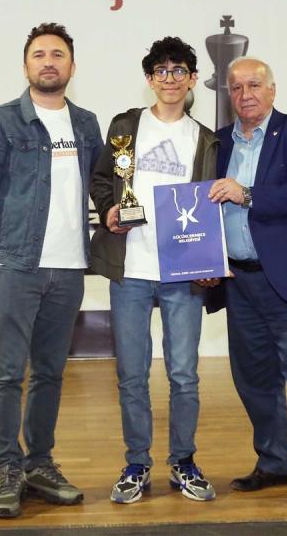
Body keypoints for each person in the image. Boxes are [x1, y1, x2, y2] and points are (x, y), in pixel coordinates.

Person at [0, 23, 101, 519]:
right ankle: (9, 469)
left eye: (57, 54)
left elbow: (105, 187)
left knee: (50, 373)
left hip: (69, 267)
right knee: (6, 374)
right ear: (25, 66)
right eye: (39, 54)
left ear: (72, 66)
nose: (48, 62)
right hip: (15, 266)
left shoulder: (86, 124)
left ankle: (39, 465)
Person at [89, 36, 221, 505]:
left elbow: (211, 204)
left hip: (183, 272)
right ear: (149, 79)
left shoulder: (206, 138)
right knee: (132, 374)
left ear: (192, 79)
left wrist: (209, 259)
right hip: (131, 268)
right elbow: (102, 179)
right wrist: (108, 208)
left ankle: (183, 461)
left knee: (184, 374)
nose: (170, 78)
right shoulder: (126, 125)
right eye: (161, 71)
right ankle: (136, 464)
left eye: (179, 70)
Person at [207, 57, 287, 510]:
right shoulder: (217, 141)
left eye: (255, 85)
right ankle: (273, 462)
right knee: (255, 381)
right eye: (237, 87)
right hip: (239, 282)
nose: (246, 95)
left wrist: (246, 193)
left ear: (273, 90)